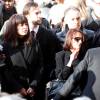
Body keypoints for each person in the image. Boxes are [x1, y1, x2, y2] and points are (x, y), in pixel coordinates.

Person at [0, 14, 44, 100]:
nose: (25, 27)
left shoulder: (34, 42)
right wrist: (18, 88)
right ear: (13, 27)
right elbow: (5, 70)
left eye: (26, 24)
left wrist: (33, 85)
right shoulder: (5, 45)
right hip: (12, 92)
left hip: (32, 90)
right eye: (21, 25)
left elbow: (40, 65)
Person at [47, 29, 86, 100]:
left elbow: (83, 76)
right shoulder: (60, 55)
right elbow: (61, 77)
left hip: (81, 93)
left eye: (82, 40)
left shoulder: (85, 55)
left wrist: (76, 58)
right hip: (64, 93)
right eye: (77, 39)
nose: (80, 42)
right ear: (69, 40)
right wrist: (71, 60)